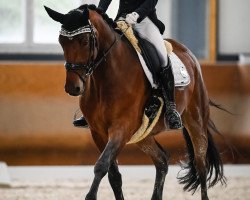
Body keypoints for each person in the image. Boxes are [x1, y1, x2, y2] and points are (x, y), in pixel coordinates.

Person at [73, 0, 182, 129]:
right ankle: (93, 107)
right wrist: (99, 12)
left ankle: (171, 108)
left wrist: (137, 14)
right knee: (101, 50)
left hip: (144, 21)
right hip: (122, 20)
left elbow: (151, 1)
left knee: (162, 56)